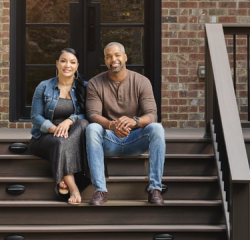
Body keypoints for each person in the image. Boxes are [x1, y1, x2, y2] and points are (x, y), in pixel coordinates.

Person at [84, 42, 165, 206]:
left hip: (135, 139)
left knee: (157, 128)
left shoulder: (142, 82)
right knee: (92, 128)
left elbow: (152, 115)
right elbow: (93, 115)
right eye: (108, 56)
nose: (113, 59)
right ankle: (100, 190)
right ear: (105, 61)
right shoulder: (95, 83)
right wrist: (112, 125)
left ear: (125, 57)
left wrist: (134, 121)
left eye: (117, 55)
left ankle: (155, 189)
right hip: (109, 139)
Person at [27, 48, 90, 204]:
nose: (67, 65)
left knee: (82, 123)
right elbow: (35, 116)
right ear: (57, 63)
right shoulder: (44, 86)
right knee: (60, 141)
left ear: (77, 66)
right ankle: (74, 187)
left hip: (72, 133)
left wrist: (69, 121)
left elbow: (90, 114)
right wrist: (54, 129)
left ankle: (64, 176)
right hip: (46, 135)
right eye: (63, 61)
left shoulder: (85, 87)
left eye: (72, 62)